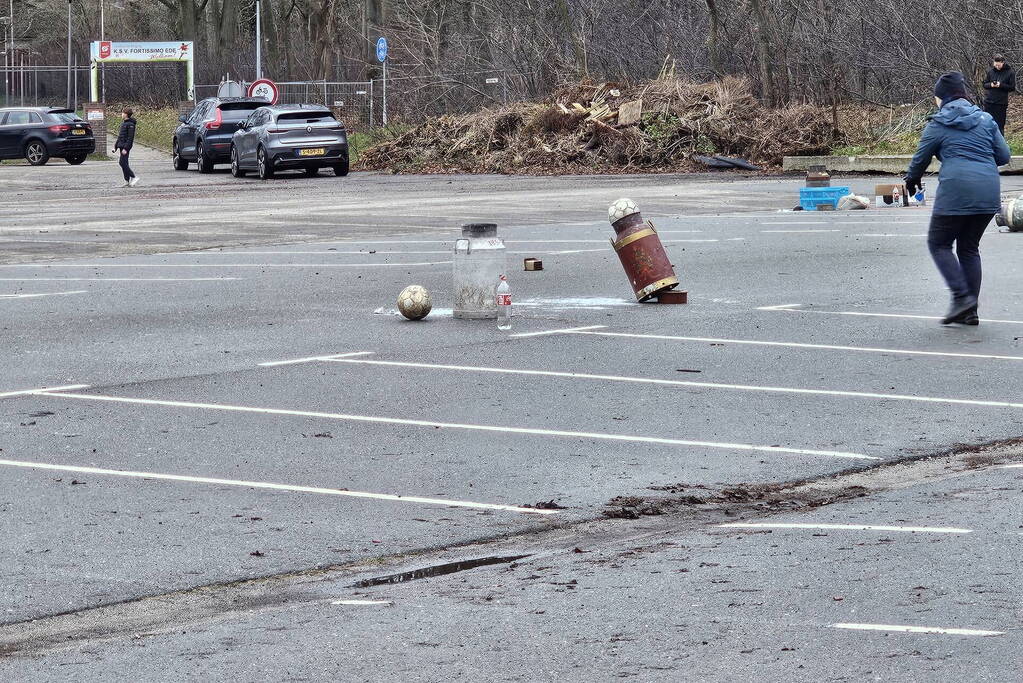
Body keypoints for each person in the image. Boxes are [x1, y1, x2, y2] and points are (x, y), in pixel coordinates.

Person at [904, 72, 1011, 326]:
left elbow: (921, 158)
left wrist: (911, 179)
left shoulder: (938, 123)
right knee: (969, 248)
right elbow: (1004, 155)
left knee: (938, 243)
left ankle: (962, 297)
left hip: (956, 191)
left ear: (942, 97)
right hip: (987, 192)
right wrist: (981, 162)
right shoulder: (986, 119)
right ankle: (970, 311)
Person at [982, 54, 1015, 133]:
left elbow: (1012, 87)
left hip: (1001, 103)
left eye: (999, 65)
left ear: (1003, 63)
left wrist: (1001, 85)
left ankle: (1000, 142)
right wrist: (991, 85)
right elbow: (984, 84)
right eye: (995, 65)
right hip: (989, 102)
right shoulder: (990, 71)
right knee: (987, 124)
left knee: (1000, 126)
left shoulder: (1010, 72)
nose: (997, 67)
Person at [113, 107, 138, 187]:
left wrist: (125, 149)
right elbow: (120, 137)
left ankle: (134, 177)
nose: (121, 114)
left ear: (126, 114)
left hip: (125, 147)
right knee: (125, 163)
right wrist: (115, 147)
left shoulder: (131, 125)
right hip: (121, 146)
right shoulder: (124, 123)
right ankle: (127, 181)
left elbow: (130, 138)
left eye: (123, 113)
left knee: (122, 162)